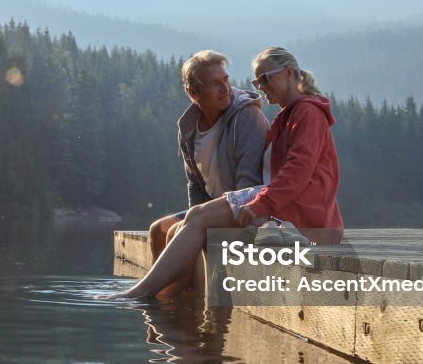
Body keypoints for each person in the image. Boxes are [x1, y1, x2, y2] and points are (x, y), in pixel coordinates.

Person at [110, 47, 343, 299]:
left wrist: (259, 206)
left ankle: (144, 294)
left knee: (197, 219)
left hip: (306, 220)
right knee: (183, 222)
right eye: (256, 80)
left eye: (265, 78)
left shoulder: (306, 113)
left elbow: (296, 172)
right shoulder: (287, 117)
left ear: (288, 74)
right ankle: (167, 304)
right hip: (283, 209)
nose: (260, 86)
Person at [147, 50, 269, 293]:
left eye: (226, 79)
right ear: (194, 93)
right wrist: (198, 216)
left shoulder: (247, 116)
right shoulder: (189, 126)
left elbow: (249, 185)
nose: (226, 88)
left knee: (179, 231)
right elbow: (195, 183)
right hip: (214, 208)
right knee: (158, 230)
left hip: (248, 212)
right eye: (215, 83)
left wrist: (206, 220)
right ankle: (167, 308)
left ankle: (183, 307)